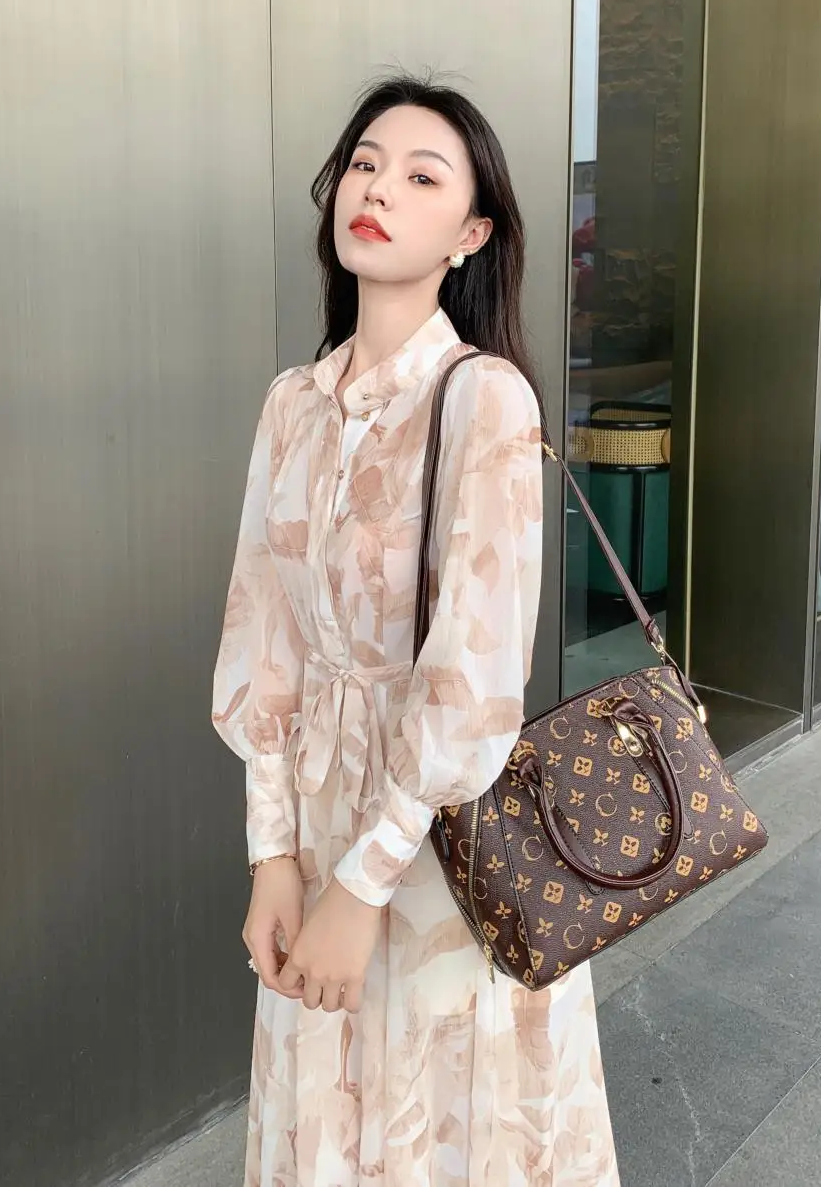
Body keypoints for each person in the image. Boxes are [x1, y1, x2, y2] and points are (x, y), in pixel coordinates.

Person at [211, 75, 620, 1186]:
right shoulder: (292, 403)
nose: (379, 189)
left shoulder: (484, 398)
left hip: (438, 835)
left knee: (438, 1125)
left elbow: (474, 680)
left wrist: (362, 884)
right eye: (364, 164)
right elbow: (262, 637)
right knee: (327, 1111)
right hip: (314, 816)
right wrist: (273, 857)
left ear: (471, 233)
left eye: (421, 176)